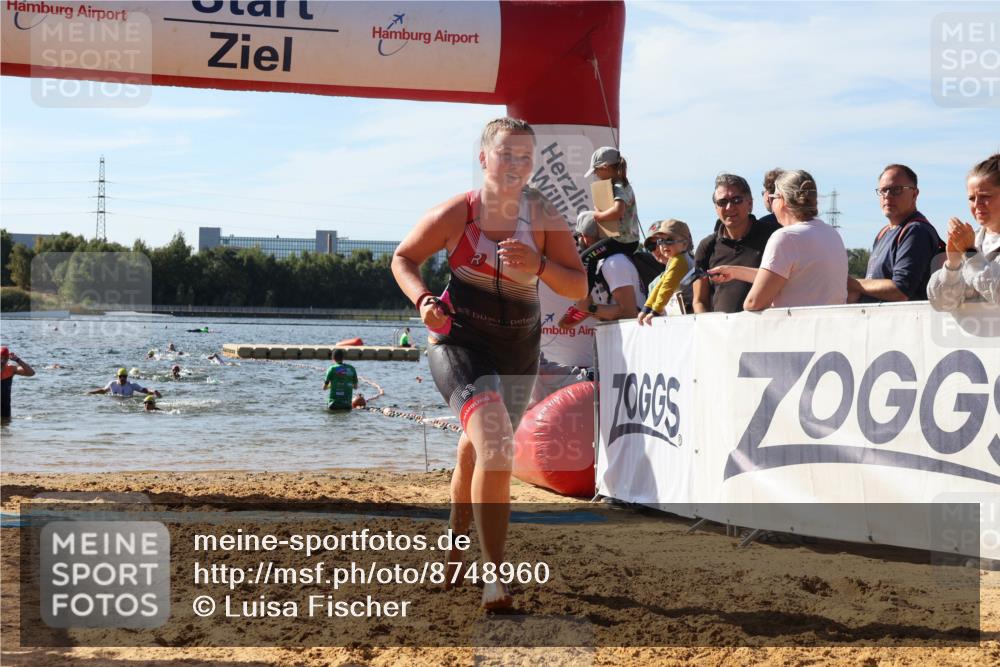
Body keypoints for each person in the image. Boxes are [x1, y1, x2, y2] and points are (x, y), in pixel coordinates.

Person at [391, 117, 586, 610]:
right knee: (498, 448)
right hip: (460, 342)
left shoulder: (543, 216)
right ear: (484, 159)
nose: (516, 165)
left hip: (518, 348)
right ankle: (494, 577)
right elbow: (402, 259)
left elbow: (578, 287)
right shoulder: (460, 213)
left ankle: (456, 544)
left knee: (474, 452)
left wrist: (538, 266)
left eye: (525, 156)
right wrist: (422, 300)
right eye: (506, 154)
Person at [708, 170, 847, 310]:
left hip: (795, 328)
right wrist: (734, 271)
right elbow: (785, 275)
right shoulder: (831, 233)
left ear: (782, 200)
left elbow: (753, 303)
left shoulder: (785, 237)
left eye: (773, 197)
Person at [848, 164, 942, 303]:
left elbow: (901, 290)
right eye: (883, 190)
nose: (887, 196)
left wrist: (853, 284)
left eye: (896, 190)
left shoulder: (916, 231)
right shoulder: (883, 233)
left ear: (914, 194)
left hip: (906, 322)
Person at [692, 173, 781, 313]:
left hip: (768, 329)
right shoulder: (706, 246)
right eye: (722, 202)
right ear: (716, 208)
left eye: (736, 200)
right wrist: (709, 328)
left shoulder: (775, 237)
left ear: (750, 203)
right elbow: (699, 301)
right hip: (722, 332)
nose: (729, 207)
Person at [928, 153, 1000, 309]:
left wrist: (970, 253)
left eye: (985, 196)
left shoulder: (969, 245)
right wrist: (952, 264)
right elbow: (942, 303)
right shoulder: (971, 240)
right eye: (971, 198)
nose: (977, 204)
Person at [638, 219, 694, 324]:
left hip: (689, 316)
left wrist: (654, 312)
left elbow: (667, 287)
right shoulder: (675, 260)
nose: (663, 245)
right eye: (660, 241)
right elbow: (661, 284)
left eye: (669, 240)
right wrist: (646, 308)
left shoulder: (680, 260)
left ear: (685, 244)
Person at [586, 146, 641, 250]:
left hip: (620, 241)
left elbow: (618, 211)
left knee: (585, 259)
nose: (595, 174)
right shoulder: (624, 185)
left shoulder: (618, 187)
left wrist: (599, 216)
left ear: (605, 167)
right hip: (630, 241)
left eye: (595, 170)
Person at [1, 346, 35, 422]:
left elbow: (31, 373)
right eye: (0, 358)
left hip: (5, 408)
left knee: (6, 428)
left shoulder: (11, 369)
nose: (2, 361)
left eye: (5, 358)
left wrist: (17, 360)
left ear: (8, 359)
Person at [90, 368, 161, 398]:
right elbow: (103, 390)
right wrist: (91, 393)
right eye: (120, 376)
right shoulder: (112, 384)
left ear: (127, 377)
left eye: (124, 376)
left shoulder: (132, 385)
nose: (122, 378)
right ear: (117, 376)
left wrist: (154, 392)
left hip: (128, 401)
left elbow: (144, 390)